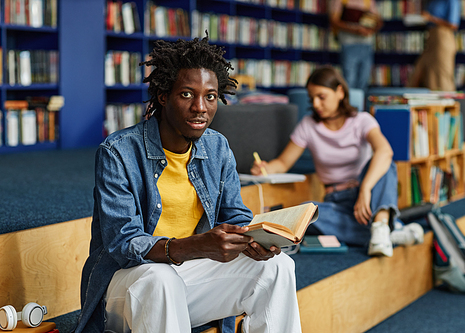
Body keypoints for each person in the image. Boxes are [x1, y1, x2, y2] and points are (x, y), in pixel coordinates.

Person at [73, 36, 302, 333]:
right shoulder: (118, 152)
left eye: (209, 96)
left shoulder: (218, 148)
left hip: (187, 277)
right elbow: (124, 243)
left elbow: (234, 215)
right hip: (127, 286)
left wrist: (256, 239)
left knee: (278, 268)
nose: (200, 107)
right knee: (160, 279)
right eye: (186, 94)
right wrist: (197, 246)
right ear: (163, 96)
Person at [251, 66, 424, 257]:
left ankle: (380, 225)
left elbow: (385, 151)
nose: (316, 104)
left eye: (322, 97)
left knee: (385, 164)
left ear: (340, 92)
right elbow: (283, 163)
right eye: (312, 98)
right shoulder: (308, 125)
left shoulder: (362, 120)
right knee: (306, 214)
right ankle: (387, 233)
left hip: (367, 197)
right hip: (336, 202)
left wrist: (365, 189)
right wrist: (265, 168)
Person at [329, 0, 383, 93]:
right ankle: (349, 106)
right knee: (349, 80)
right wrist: (355, 30)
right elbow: (334, 21)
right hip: (348, 44)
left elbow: (379, 21)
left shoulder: (368, 2)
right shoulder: (341, 1)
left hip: (367, 44)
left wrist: (370, 30)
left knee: (364, 80)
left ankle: (360, 106)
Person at [407, 0, 461, 91]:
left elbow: (453, 25)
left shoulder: (452, 1)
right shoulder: (431, 1)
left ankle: (447, 104)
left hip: (443, 39)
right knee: (419, 74)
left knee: (441, 76)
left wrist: (431, 18)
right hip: (430, 38)